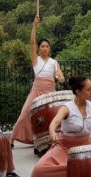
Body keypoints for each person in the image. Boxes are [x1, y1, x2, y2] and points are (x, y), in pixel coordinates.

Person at [11, 14, 65, 147]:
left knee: (52, 115)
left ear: (49, 48)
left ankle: (51, 138)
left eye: (47, 46)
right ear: (39, 48)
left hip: (50, 91)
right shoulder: (36, 59)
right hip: (37, 89)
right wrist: (34, 26)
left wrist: (59, 78)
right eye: (42, 46)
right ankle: (12, 139)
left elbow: (61, 77)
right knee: (25, 113)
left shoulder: (54, 62)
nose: (45, 48)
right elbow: (32, 42)